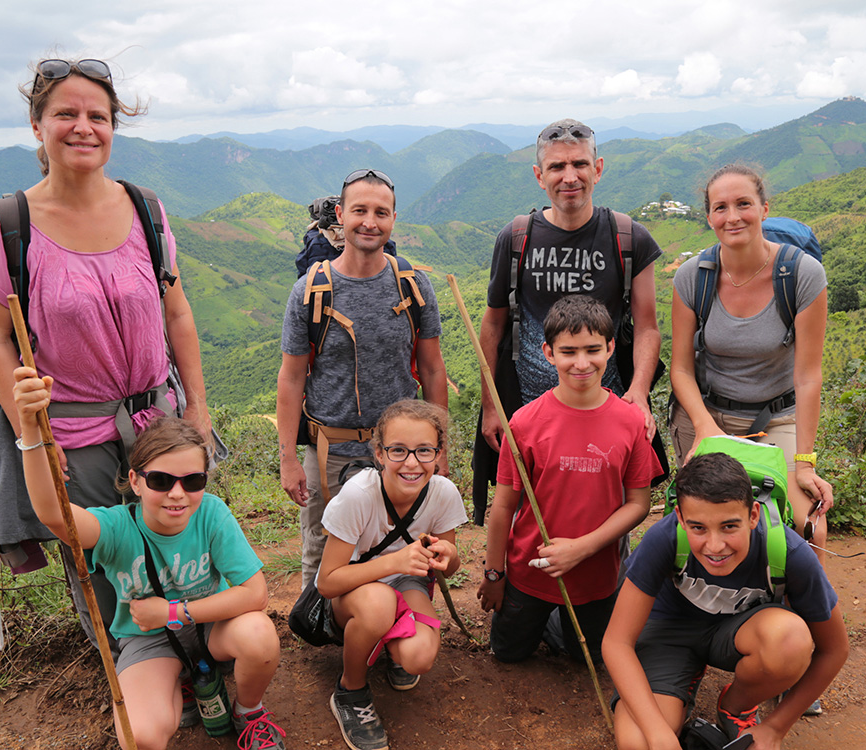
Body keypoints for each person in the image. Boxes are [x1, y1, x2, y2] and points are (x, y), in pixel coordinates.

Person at [0, 58, 210, 647]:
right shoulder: (8, 225)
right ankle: (132, 665)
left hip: (161, 420)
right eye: (65, 114)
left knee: (179, 543)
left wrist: (197, 410)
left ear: (113, 127)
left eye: (97, 116)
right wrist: (36, 434)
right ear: (37, 125)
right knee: (101, 561)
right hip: (76, 434)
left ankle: (194, 656)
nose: (83, 127)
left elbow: (176, 312)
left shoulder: (144, 208)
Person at [12, 368, 284, 750]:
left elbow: (255, 595)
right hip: (149, 641)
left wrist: (173, 613)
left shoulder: (211, 513)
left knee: (259, 635)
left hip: (210, 627)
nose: (177, 494)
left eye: (193, 481)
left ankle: (248, 710)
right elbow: (53, 514)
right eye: (160, 481)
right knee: (140, 737)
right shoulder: (115, 528)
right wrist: (30, 429)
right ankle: (181, 680)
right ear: (136, 481)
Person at [602, 452, 848, 750]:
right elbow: (617, 642)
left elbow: (834, 649)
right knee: (638, 743)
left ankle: (736, 706)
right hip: (669, 633)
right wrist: (659, 734)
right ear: (679, 518)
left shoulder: (789, 552)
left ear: (753, 515)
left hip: (740, 634)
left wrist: (776, 728)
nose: (715, 546)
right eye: (698, 528)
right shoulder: (663, 539)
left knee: (790, 639)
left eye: (729, 526)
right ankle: (680, 681)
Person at [276, 169, 449, 589]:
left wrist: (437, 448)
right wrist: (287, 459)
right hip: (329, 448)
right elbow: (291, 377)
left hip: (401, 452)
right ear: (340, 214)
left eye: (380, 212)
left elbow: (432, 369)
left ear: (393, 219)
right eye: (359, 211)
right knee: (322, 546)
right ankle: (319, 634)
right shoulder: (310, 291)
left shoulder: (413, 286)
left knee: (399, 541)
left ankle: (390, 633)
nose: (370, 221)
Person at [477, 295, 660, 663]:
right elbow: (503, 506)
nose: (581, 363)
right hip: (529, 569)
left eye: (593, 350)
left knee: (589, 659)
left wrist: (583, 547)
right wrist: (495, 574)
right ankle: (543, 622)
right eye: (568, 351)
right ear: (548, 352)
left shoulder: (629, 423)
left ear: (610, 348)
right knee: (507, 653)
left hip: (596, 576)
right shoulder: (526, 423)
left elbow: (639, 504)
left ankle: (560, 626)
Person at [669, 163, 833, 561]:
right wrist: (707, 430)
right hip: (707, 413)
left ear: (763, 208)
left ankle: (806, 614)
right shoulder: (693, 277)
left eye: (743, 204)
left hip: (776, 416)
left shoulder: (802, 275)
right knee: (699, 519)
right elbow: (681, 368)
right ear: (709, 217)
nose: (733, 216)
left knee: (805, 521)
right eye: (720, 207)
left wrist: (805, 463)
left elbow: (809, 376)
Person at [478, 118, 664, 447]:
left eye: (580, 164)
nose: (569, 177)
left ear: (598, 169)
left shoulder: (630, 238)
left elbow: (647, 327)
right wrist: (492, 406)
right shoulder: (516, 238)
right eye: (556, 167)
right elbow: (493, 324)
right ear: (539, 176)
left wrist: (639, 390)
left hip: (609, 410)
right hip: (530, 415)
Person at [316, 399, 466, 750]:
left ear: (438, 453)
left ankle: (390, 647)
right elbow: (327, 582)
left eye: (424, 451)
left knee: (418, 657)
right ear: (379, 454)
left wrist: (451, 555)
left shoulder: (443, 493)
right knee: (379, 603)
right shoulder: (358, 496)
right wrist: (394, 563)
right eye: (398, 450)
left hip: (406, 583)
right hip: (353, 590)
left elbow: (449, 567)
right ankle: (350, 691)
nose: (412, 463)